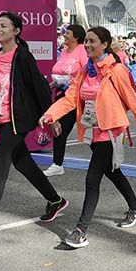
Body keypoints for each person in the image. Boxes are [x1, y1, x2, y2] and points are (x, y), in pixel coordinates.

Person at [40, 27, 136, 249]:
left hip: (111, 132)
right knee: (112, 171)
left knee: (92, 179)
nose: (87, 45)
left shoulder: (117, 71)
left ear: (105, 44)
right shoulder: (86, 71)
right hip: (93, 131)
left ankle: (80, 231)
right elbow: (70, 98)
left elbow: (133, 102)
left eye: (92, 41)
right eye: (86, 41)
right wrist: (50, 114)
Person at [0, 12, 68, 241]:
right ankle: (56, 200)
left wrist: (51, 117)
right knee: (23, 163)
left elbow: (41, 89)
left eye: (4, 26)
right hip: (0, 119)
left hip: (17, 122)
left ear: (16, 31)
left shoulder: (23, 57)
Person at [46, 24, 88, 177]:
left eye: (68, 33)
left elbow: (87, 72)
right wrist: (52, 84)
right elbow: (60, 72)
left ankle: (58, 163)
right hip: (60, 93)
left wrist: (71, 81)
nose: (64, 35)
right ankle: (57, 164)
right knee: (59, 129)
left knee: (87, 130)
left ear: (76, 36)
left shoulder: (82, 50)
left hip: (76, 97)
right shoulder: (63, 52)